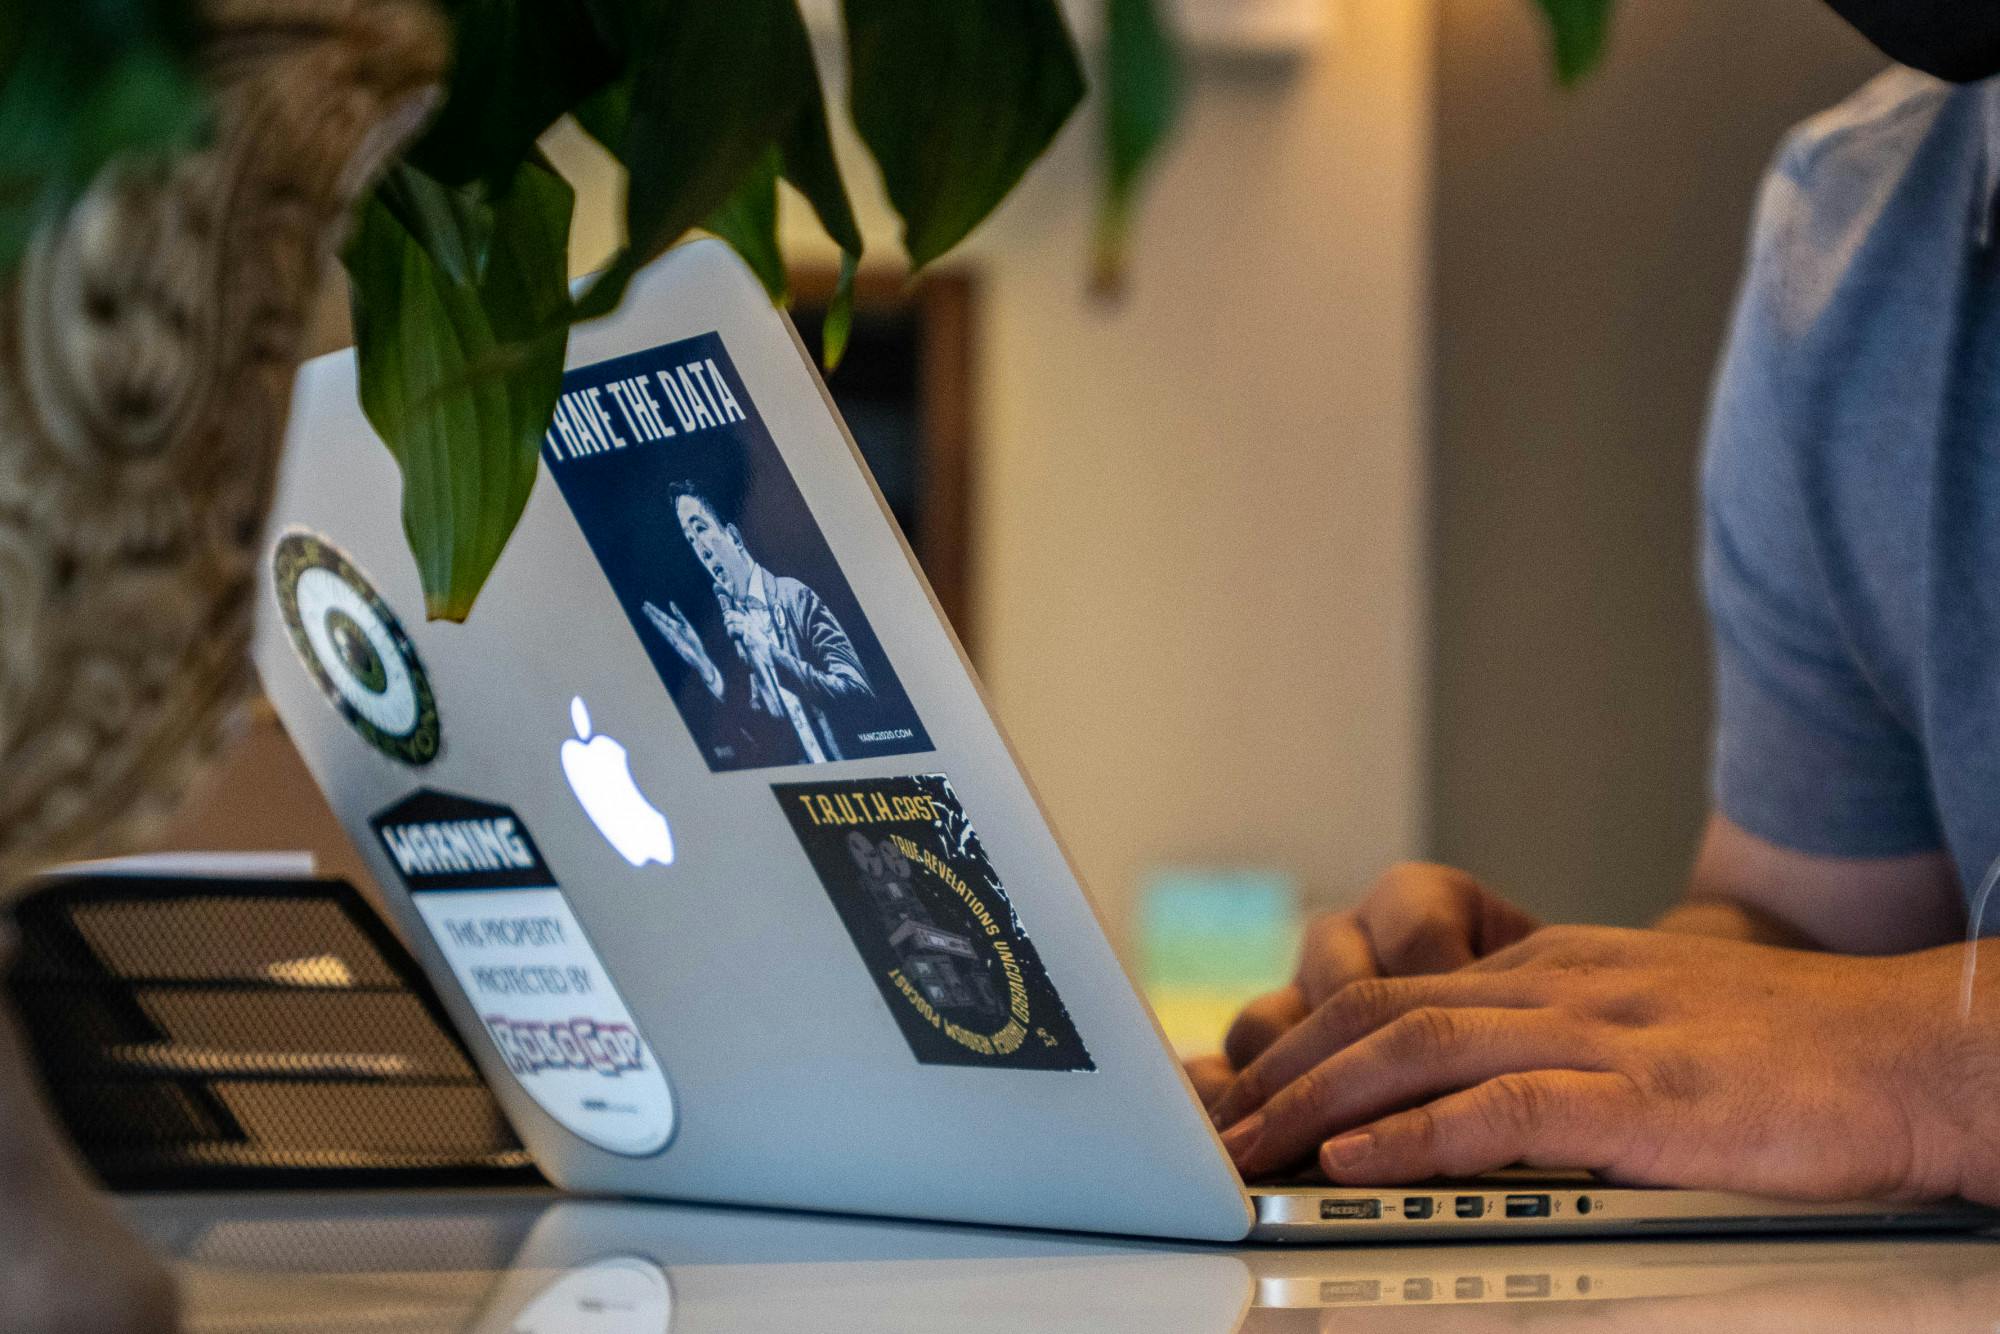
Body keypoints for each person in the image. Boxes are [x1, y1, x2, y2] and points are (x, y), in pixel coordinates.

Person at [1193, 4, 2000, 1207]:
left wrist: (1943, 1053)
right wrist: (1519, 1025)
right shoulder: (1850, 249)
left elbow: (1890, 1028)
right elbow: (1822, 943)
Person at [642, 481, 875, 764]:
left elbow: (859, 696)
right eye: (690, 539)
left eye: (701, 528)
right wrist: (706, 668)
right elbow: (756, 742)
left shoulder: (794, 596)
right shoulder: (734, 634)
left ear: (735, 538)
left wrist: (771, 654)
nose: (700, 549)